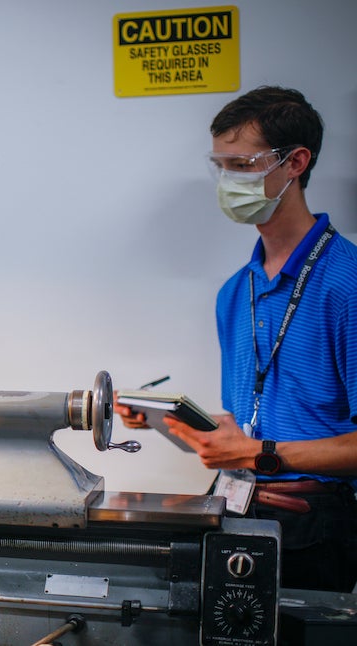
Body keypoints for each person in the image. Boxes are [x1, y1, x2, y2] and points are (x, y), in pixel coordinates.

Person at [117, 86, 357, 592]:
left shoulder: (347, 285)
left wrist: (258, 453)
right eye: (220, 165)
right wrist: (171, 423)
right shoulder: (236, 291)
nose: (228, 180)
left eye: (242, 163)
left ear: (295, 162)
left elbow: (265, 446)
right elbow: (243, 430)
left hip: (312, 523)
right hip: (232, 508)